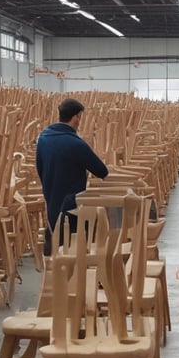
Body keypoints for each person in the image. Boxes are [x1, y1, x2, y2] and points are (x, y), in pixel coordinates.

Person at [36, 97, 109, 254]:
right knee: (71, 245)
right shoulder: (76, 144)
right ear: (77, 117)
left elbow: (39, 169)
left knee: (55, 239)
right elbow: (102, 171)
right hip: (72, 207)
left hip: (51, 199)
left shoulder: (43, 139)